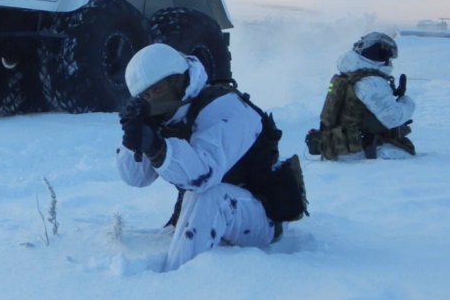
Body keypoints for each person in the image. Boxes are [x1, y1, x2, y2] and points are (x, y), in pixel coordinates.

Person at [116, 43, 308, 272]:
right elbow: (136, 178)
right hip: (213, 215)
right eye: (146, 95)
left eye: (158, 90)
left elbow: (202, 176)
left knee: (207, 195)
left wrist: (156, 146)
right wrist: (134, 141)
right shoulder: (166, 115)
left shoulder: (225, 107)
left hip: (262, 214)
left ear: (178, 81)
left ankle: (176, 283)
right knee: (204, 198)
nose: (153, 99)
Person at [306, 32, 416, 161]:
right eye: (389, 60)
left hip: (341, 149)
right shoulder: (371, 82)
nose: (391, 64)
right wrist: (405, 101)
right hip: (361, 154)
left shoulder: (350, 76)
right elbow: (393, 117)